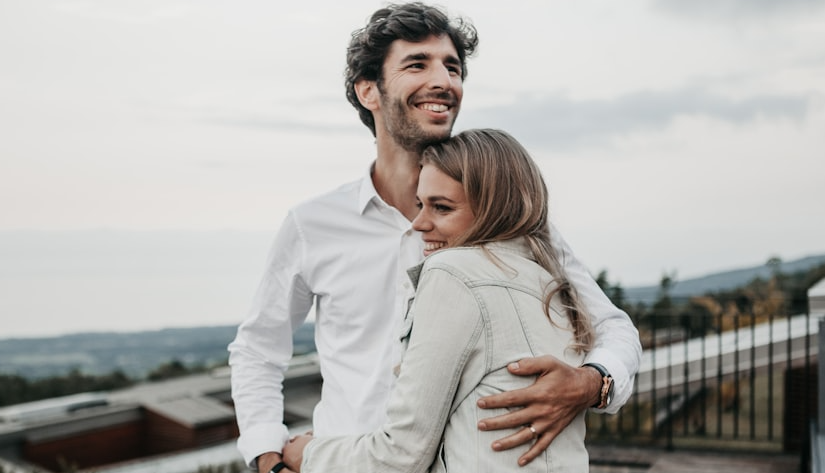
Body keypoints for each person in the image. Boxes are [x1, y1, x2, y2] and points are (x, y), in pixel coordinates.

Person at [227, 3, 641, 472]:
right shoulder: (312, 224)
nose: (444, 80)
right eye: (417, 64)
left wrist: (592, 383)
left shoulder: (506, 218)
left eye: (453, 67)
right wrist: (267, 457)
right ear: (368, 90)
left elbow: (612, 327)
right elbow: (258, 350)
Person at [282, 128, 594, 473]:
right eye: (421, 205)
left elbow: (402, 455)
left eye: (441, 208)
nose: (419, 224)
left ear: (493, 209)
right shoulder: (552, 282)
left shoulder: (452, 273)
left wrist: (307, 454)